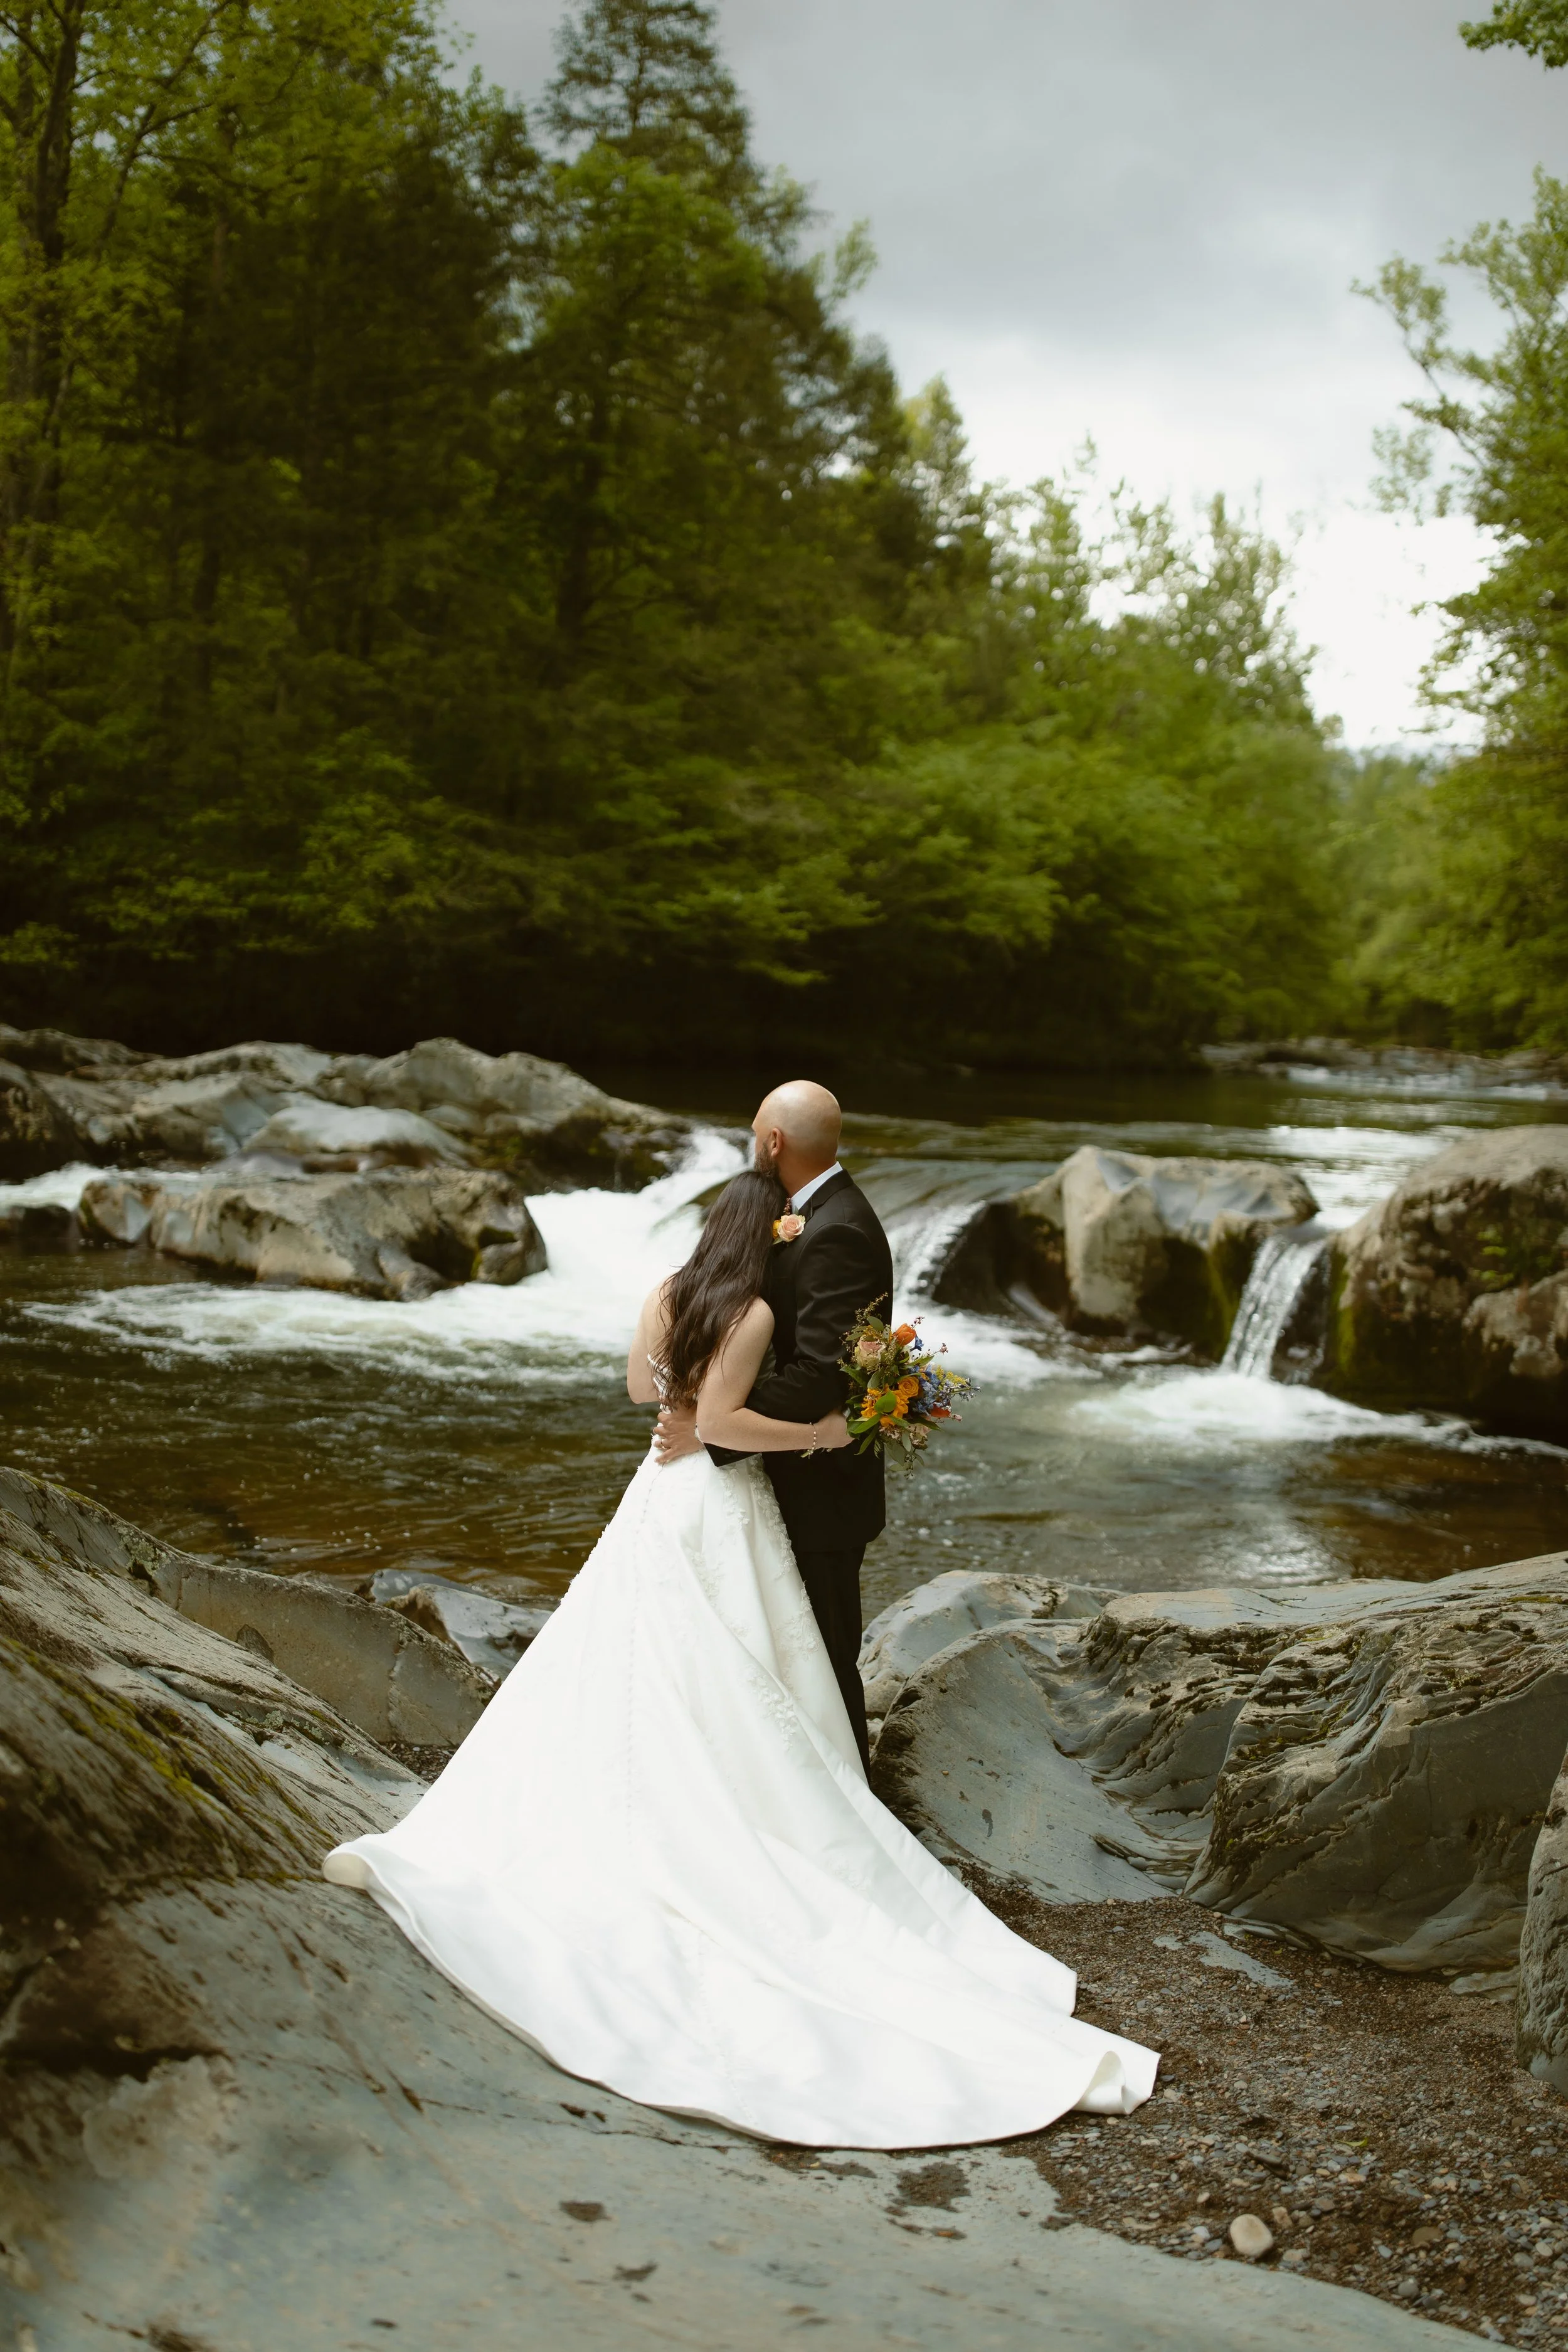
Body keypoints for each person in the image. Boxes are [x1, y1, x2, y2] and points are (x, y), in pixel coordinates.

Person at [323, 1089, 1157, 2149]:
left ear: (762, 1158)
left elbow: (666, 1389)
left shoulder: (782, 1250)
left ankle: (816, 1812)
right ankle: (813, 1826)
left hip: (721, 1490)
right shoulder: (775, 1272)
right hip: (745, 1485)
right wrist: (797, 1431)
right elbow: (774, 1389)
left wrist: (725, 1419)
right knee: (766, 1658)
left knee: (737, 1654)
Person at [654, 1079, 889, 1769]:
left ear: (774, 1142)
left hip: (821, 1488)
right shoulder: (808, 1216)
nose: (753, 1143)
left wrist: (714, 1424)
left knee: (822, 1660)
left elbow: (820, 1371)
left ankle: (855, 1805)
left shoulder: (837, 1228)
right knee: (787, 1659)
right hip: (782, 1475)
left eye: (755, 1131)